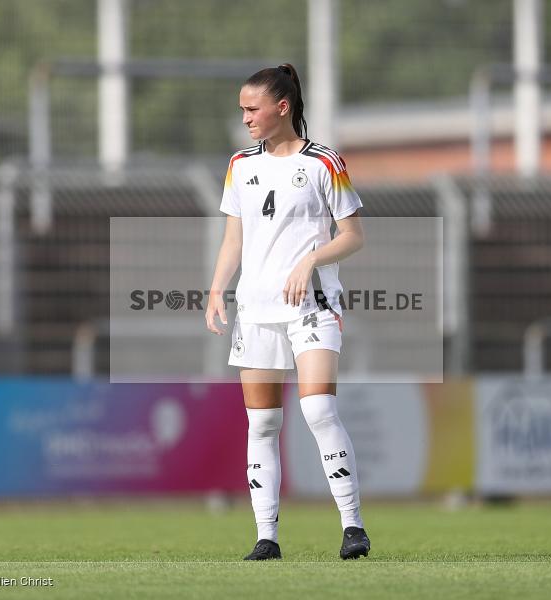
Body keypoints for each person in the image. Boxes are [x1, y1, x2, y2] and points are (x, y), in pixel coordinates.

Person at [205, 64, 369, 561]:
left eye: (252, 109)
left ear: (283, 107)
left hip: (312, 306)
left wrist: (311, 260)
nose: (246, 118)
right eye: (242, 110)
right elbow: (234, 237)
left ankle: (352, 527)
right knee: (262, 424)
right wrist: (217, 290)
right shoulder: (240, 164)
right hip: (256, 311)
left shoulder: (324, 162)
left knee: (318, 409)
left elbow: (353, 236)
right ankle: (266, 538)